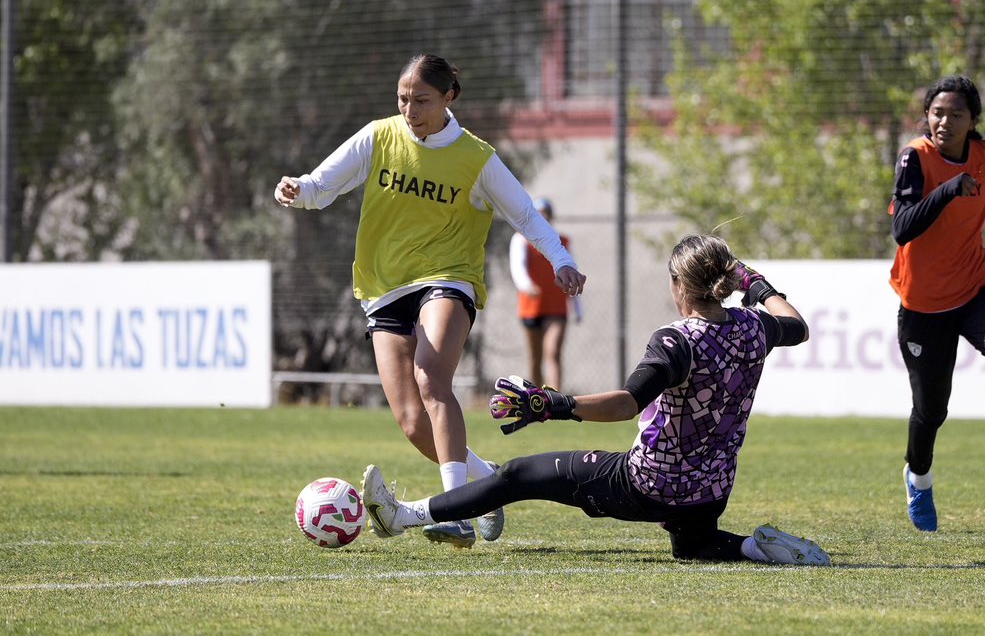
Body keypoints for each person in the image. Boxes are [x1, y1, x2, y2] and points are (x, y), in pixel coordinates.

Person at [360, 234, 830, 566]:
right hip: (710, 494)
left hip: (649, 485)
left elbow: (627, 402)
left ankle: (402, 516)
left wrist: (556, 405)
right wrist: (757, 285)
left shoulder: (677, 340)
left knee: (519, 474)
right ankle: (755, 548)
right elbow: (797, 325)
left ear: (678, 285)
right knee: (693, 547)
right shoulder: (754, 328)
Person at [275, 54, 586, 549]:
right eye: (402, 99)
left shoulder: (476, 158)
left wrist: (559, 259)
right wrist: (298, 188)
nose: (409, 109)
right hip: (383, 288)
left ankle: (456, 515)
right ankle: (485, 487)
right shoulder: (380, 136)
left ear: (449, 99)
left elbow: (525, 214)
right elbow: (322, 186)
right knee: (412, 422)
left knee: (430, 376)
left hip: (449, 279)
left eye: (421, 100)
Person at [889, 74, 985, 532]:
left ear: (974, 121)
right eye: (938, 112)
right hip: (923, 304)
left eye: (956, 114)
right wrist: (948, 190)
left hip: (977, 286)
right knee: (932, 410)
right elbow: (902, 228)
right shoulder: (914, 157)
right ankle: (919, 478)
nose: (945, 121)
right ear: (927, 116)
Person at [509, 197, 582, 390]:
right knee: (535, 357)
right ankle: (536, 398)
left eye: (546, 213)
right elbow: (518, 268)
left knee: (553, 353)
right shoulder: (520, 239)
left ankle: (556, 401)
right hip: (531, 306)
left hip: (557, 305)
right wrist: (526, 285)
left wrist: (577, 307)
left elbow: (572, 269)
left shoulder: (562, 241)